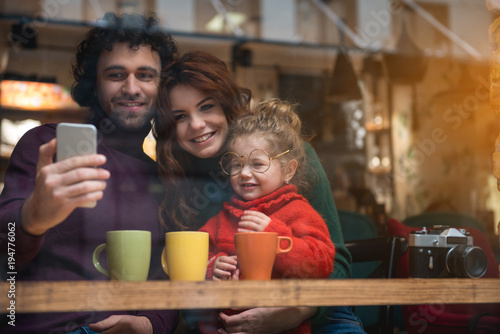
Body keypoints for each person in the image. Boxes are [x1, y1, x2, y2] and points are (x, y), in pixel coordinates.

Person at [154, 51, 364, 333]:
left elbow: (334, 261)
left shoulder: (287, 155)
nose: (196, 124)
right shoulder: (176, 180)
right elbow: (187, 274)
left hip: (315, 313)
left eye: (206, 107)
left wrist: (294, 311)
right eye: (181, 117)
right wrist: (212, 271)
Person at [0, 12, 178, 334]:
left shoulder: (164, 177)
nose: (131, 87)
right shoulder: (46, 145)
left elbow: (165, 276)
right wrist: (30, 219)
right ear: (94, 85)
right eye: (115, 74)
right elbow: (6, 255)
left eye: (146, 75)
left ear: (161, 87)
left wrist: (150, 324)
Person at [198, 99, 335, 333]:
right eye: (236, 165)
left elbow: (321, 263)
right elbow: (197, 254)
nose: (244, 173)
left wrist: (277, 237)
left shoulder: (298, 212)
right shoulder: (224, 216)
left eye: (257, 163)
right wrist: (213, 265)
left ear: (289, 170)